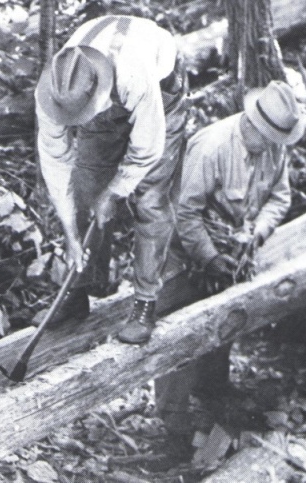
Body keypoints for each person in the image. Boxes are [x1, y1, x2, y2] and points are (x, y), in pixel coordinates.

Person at [154, 80, 306, 444]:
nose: (272, 146)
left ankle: (212, 389)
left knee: (224, 318)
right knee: (179, 328)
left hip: (233, 247)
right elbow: (185, 214)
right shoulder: (211, 148)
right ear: (251, 123)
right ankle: (172, 418)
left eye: (277, 140)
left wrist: (257, 233)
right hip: (183, 250)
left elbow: (280, 198)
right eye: (268, 137)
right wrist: (209, 257)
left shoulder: (274, 149)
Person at [35, 15, 187, 342]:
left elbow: (147, 150)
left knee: (150, 201)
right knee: (85, 189)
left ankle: (145, 301)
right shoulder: (56, 91)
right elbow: (56, 163)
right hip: (103, 99)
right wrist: (70, 231)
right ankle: (77, 290)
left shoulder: (135, 74)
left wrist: (115, 192)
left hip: (162, 93)